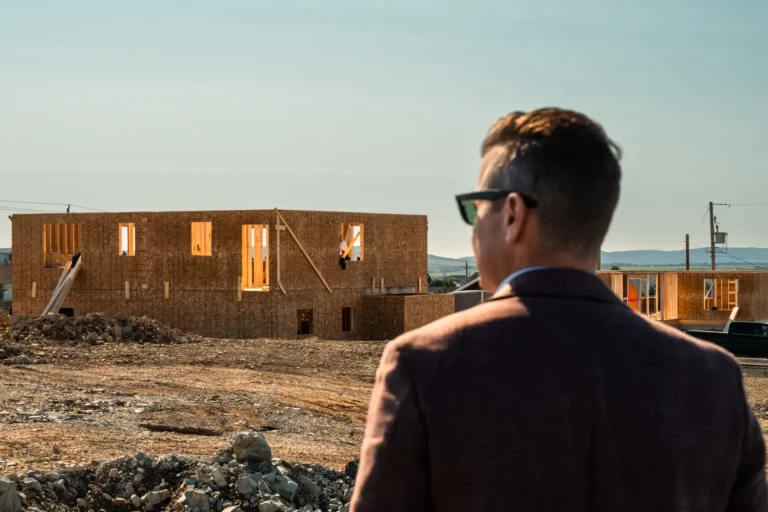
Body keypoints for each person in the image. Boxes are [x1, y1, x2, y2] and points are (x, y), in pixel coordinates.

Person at [351, 108, 767, 511]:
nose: (475, 229)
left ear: (513, 214)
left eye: (475, 209)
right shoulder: (713, 378)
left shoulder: (423, 365)